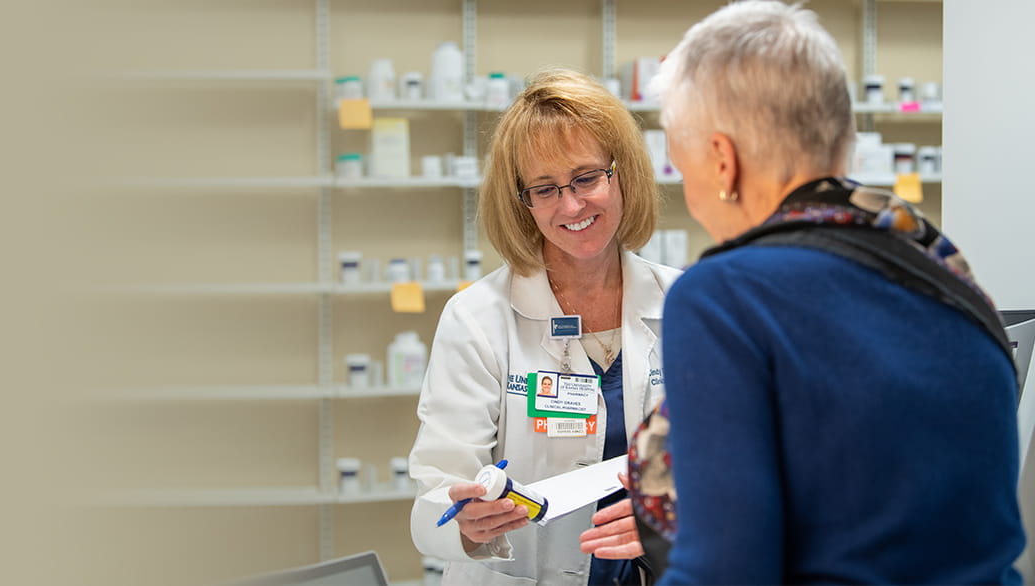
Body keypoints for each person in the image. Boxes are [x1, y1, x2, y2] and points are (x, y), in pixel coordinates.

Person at [623, 2, 1026, 584]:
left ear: (721, 161)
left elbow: (725, 571)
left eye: (683, 169)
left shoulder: (726, 296)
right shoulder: (946, 272)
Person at [408, 68, 681, 585]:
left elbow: (733, 462)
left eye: (585, 178)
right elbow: (436, 488)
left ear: (622, 174)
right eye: (545, 188)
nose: (571, 205)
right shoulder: (479, 318)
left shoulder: (687, 304)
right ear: (522, 201)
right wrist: (466, 520)